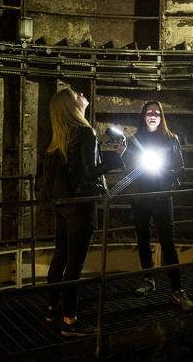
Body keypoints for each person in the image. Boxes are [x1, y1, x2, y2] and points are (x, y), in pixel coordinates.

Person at [42, 84, 124, 336]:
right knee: (75, 264)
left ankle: (51, 308)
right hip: (82, 206)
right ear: (72, 106)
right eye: (76, 95)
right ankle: (70, 320)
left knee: (61, 255)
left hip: (64, 206)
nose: (81, 95)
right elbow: (89, 172)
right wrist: (117, 156)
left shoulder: (60, 137)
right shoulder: (85, 133)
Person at [128, 100, 193, 311]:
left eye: (157, 112)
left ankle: (177, 290)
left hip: (162, 197)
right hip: (140, 198)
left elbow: (180, 168)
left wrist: (168, 180)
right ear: (143, 116)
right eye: (149, 112)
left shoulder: (171, 139)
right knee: (143, 240)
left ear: (161, 116)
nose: (153, 115)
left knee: (168, 243)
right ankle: (148, 279)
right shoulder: (135, 139)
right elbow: (128, 165)